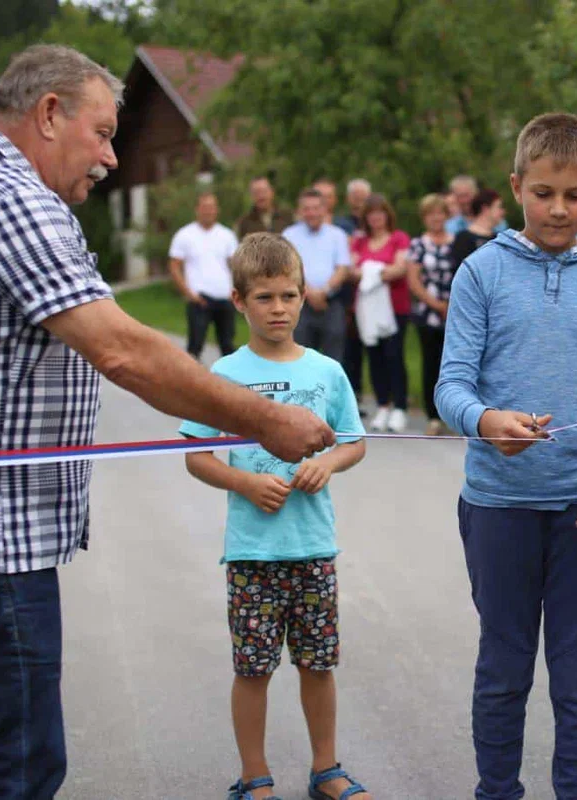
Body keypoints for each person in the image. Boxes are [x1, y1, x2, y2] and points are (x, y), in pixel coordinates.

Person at [0, 45, 332, 799]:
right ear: (49, 114)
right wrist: (266, 421)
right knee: (8, 765)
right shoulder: (9, 199)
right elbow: (124, 351)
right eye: (102, 132)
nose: (113, 158)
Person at [435, 112, 577, 800]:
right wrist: (486, 420)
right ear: (515, 188)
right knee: (503, 670)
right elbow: (451, 385)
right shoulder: (480, 271)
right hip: (498, 507)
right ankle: (496, 790)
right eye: (542, 193)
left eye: (573, 194)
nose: (558, 209)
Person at [180, 233, 371, 800]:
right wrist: (244, 481)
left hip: (313, 547)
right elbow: (195, 455)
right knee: (253, 669)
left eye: (289, 295)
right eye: (264, 298)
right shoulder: (223, 374)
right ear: (238, 301)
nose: (280, 308)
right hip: (252, 554)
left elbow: (355, 442)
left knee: (318, 664)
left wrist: (328, 465)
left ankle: (327, 770)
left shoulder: (327, 372)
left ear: (304, 293)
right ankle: (253, 778)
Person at [351, 194, 412, 433]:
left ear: (387, 215)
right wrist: (376, 272)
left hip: (395, 308)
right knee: (373, 356)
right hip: (367, 309)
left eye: (380, 213)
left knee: (394, 355)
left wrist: (371, 271)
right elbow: (353, 271)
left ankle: (400, 406)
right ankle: (382, 404)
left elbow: (399, 268)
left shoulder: (398, 238)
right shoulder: (359, 242)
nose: (376, 218)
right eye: (371, 214)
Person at [405, 193, 456, 435]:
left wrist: (452, 305)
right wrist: (436, 304)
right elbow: (414, 281)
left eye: (440, 213)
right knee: (431, 364)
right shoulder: (418, 244)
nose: (436, 218)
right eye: (431, 214)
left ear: (446, 215)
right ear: (424, 218)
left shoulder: (456, 242)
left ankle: (454, 414)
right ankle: (433, 416)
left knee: (453, 365)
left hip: (455, 311)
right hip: (428, 312)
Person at [283, 189, 353, 363]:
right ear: (300, 211)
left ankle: (331, 391)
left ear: (324, 209)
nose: (311, 213)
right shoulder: (288, 235)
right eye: (306, 208)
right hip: (299, 304)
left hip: (331, 303)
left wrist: (323, 291)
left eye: (316, 208)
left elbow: (342, 268)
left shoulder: (337, 235)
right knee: (298, 355)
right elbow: (286, 269)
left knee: (334, 357)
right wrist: (310, 292)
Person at [314, 177, 366, 412]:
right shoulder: (303, 225)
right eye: (319, 195)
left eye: (328, 196)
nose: (324, 201)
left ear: (335, 200)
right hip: (307, 298)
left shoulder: (343, 227)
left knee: (340, 351)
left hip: (339, 297)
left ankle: (339, 401)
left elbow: (345, 263)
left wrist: (326, 290)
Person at [168, 190, 239, 359]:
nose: (208, 211)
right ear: (197, 209)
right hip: (199, 300)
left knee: (228, 345)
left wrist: (236, 291)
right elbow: (174, 266)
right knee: (195, 347)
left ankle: (230, 383)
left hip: (225, 299)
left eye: (212, 207)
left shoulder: (226, 235)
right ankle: (191, 384)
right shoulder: (185, 235)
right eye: (204, 207)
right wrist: (188, 294)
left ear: (217, 210)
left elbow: (236, 265)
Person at [449, 188, 505, 270]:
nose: (502, 212)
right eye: (499, 207)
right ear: (485, 209)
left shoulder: (499, 238)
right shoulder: (463, 239)